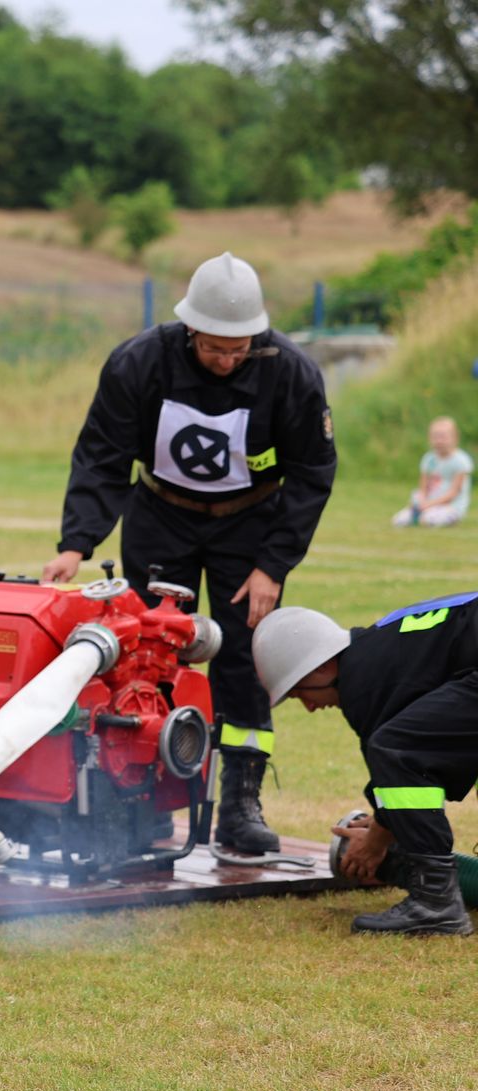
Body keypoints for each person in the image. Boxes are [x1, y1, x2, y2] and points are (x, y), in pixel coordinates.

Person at [41, 252, 336, 857]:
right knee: (146, 656)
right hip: (159, 517)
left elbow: (311, 473)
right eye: (215, 347)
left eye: (240, 348)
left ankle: (240, 802)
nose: (228, 359)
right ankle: (144, 800)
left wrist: (272, 565)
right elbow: (101, 454)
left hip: (250, 525)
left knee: (247, 658)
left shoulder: (291, 374)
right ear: (190, 328)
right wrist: (77, 542)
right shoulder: (138, 363)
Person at [254, 597, 478, 936]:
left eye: (300, 692)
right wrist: (383, 822)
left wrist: (375, 840)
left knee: (394, 747)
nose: (310, 707)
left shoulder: (363, 684)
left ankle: (436, 902)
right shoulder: (379, 649)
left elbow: (400, 764)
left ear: (321, 668)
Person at [391, 416, 471, 528]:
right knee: (399, 520)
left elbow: (454, 493)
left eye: (443, 437)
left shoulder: (461, 461)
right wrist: (422, 502)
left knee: (429, 520)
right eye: (435, 437)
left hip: (450, 506)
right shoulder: (428, 459)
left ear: (455, 437)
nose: (439, 441)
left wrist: (429, 504)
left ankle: (439, 517)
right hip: (429, 503)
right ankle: (417, 515)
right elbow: (423, 487)